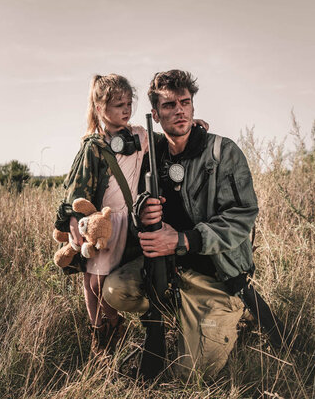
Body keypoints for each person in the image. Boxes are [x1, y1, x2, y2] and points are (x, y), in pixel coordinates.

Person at [103, 69, 259, 379]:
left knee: (192, 376)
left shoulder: (223, 151)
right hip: (167, 270)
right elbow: (134, 201)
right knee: (114, 289)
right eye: (169, 105)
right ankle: (160, 322)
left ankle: (230, 314)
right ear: (156, 115)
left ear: (193, 106)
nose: (180, 111)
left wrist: (185, 240)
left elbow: (242, 215)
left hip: (214, 277)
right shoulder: (152, 151)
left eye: (185, 103)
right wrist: (140, 214)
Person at [54, 74, 209, 354]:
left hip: (128, 222)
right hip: (103, 224)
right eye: (118, 106)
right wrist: (74, 222)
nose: (125, 110)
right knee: (93, 280)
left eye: (128, 104)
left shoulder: (138, 135)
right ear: (100, 108)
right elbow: (76, 190)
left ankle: (111, 325)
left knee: (103, 280)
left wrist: (190, 127)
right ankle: (100, 331)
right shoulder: (94, 146)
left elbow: (167, 140)